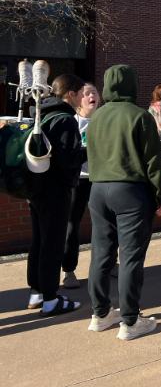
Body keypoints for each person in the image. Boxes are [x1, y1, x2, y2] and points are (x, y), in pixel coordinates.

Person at [85, 65, 161, 340]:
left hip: (98, 189)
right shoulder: (140, 116)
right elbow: (154, 161)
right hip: (131, 191)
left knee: (101, 253)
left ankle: (100, 314)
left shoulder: (96, 117)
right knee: (131, 257)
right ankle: (130, 321)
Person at [26, 74, 85, 316]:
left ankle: (36, 292)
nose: (83, 97)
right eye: (80, 93)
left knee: (39, 240)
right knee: (53, 243)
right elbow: (68, 160)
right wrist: (87, 152)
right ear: (70, 94)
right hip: (56, 191)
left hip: (36, 188)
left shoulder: (42, 115)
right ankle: (51, 299)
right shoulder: (66, 121)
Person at [62, 83, 101, 289]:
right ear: (78, 99)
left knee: (105, 224)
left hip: (100, 179)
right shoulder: (72, 123)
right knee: (72, 224)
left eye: (94, 92)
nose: (92, 96)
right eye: (87, 93)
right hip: (79, 180)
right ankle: (69, 270)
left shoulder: (104, 121)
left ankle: (107, 263)